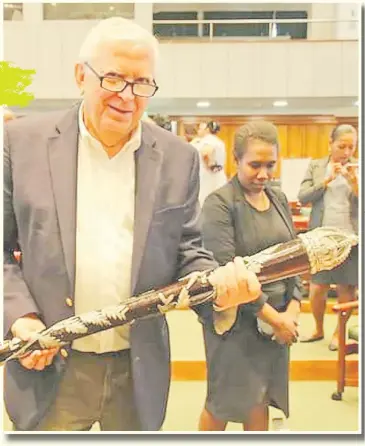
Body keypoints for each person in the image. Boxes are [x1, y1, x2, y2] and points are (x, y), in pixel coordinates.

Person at [4, 17, 262, 432]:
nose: (127, 96)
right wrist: (21, 317)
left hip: (137, 368)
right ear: (79, 76)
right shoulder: (21, 144)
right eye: (113, 78)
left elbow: (186, 251)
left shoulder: (179, 158)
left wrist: (219, 290)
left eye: (142, 83)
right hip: (51, 364)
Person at [198, 120, 302, 431]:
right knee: (222, 404)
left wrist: (293, 309)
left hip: (278, 321)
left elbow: (295, 256)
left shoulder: (279, 198)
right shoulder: (219, 204)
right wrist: (274, 318)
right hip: (237, 323)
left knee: (261, 400)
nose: (264, 174)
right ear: (236, 160)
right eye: (254, 165)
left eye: (270, 165)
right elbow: (227, 275)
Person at [298, 124, 358, 350]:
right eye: (341, 146)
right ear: (330, 144)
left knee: (346, 289)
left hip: (351, 237)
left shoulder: (358, 167)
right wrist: (326, 181)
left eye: (351, 147)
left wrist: (354, 183)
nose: (346, 151)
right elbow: (303, 197)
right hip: (321, 238)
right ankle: (317, 328)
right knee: (317, 287)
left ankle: (338, 334)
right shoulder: (316, 166)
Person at [191, 121, 227, 204]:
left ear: (207, 129)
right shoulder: (202, 141)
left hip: (210, 177)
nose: (198, 131)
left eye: (200, 129)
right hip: (208, 177)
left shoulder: (210, 140)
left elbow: (206, 152)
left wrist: (211, 165)